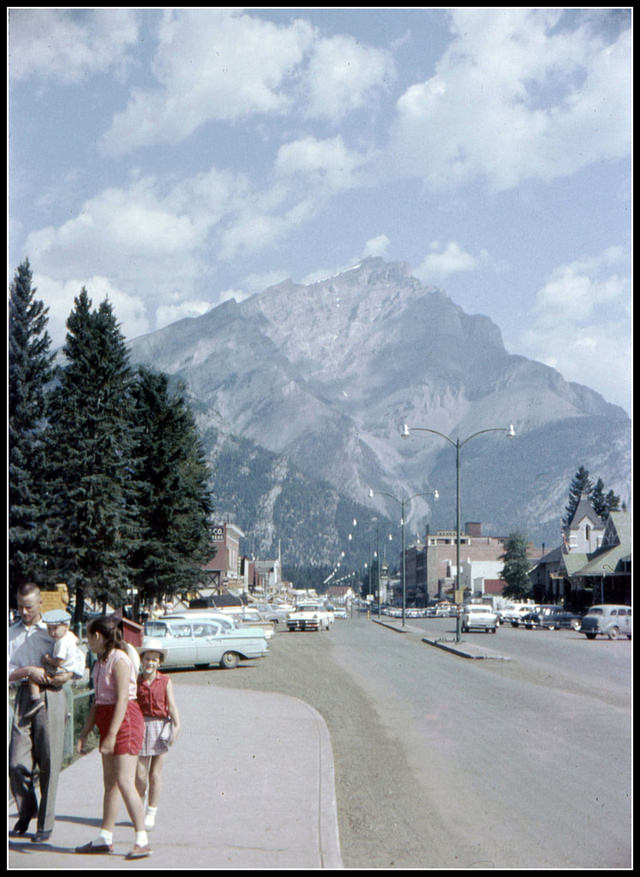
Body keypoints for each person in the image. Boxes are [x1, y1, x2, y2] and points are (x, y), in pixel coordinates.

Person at [9, 583, 85, 843]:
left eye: (29, 606)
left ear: (40, 604)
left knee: (49, 761)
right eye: (19, 605)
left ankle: (45, 824)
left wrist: (59, 676)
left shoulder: (55, 631)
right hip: (23, 695)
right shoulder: (11, 634)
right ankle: (26, 810)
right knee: (16, 763)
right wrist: (29, 670)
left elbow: (77, 662)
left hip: (51, 695)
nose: (23, 611)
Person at [75, 615, 151, 860]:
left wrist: (111, 736)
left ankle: (142, 839)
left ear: (98, 636)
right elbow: (98, 703)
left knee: (125, 781)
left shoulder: (120, 659)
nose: (87, 642)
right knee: (110, 783)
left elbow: (122, 700)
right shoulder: (99, 663)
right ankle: (105, 837)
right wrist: (85, 732)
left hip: (125, 720)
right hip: (108, 720)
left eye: (88, 637)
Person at [135, 637, 181, 829]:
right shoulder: (136, 681)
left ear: (159, 662)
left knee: (156, 773)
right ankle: (139, 804)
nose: (150, 663)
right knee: (140, 774)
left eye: (154, 659)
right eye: (147, 658)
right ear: (142, 660)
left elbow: (171, 705)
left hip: (161, 727)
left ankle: (151, 811)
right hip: (141, 727)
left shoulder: (165, 681)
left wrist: (176, 726)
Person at [24, 609, 80, 719]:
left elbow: (58, 661)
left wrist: (47, 659)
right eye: (49, 629)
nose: (52, 632)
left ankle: (36, 700)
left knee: (32, 674)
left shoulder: (61, 642)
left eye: (55, 629)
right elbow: (77, 641)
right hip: (68, 668)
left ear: (66, 626)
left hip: (60, 669)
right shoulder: (70, 636)